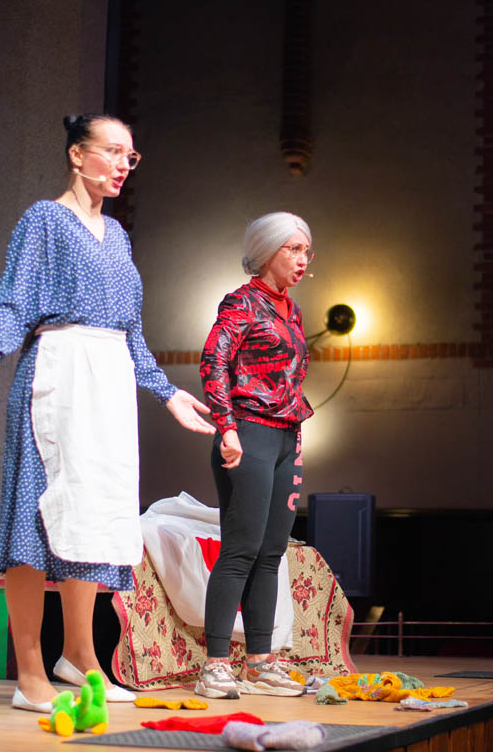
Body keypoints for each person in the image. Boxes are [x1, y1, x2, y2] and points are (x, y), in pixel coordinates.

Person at [0, 113, 214, 712]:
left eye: (131, 156)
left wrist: (166, 392)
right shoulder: (44, 220)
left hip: (110, 384)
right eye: (113, 151)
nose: (124, 164)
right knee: (35, 519)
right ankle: (30, 672)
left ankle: (79, 656)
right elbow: (15, 298)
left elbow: (131, 330)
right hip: (59, 372)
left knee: (94, 516)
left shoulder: (118, 235)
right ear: (77, 154)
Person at [195, 212, 315, 699]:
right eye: (293, 249)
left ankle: (260, 663)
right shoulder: (241, 303)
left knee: (271, 552)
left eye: (306, 251)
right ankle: (215, 665)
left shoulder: (292, 310)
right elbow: (213, 361)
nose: (302, 260)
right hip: (248, 432)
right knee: (241, 549)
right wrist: (226, 426)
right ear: (267, 252)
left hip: (287, 436)